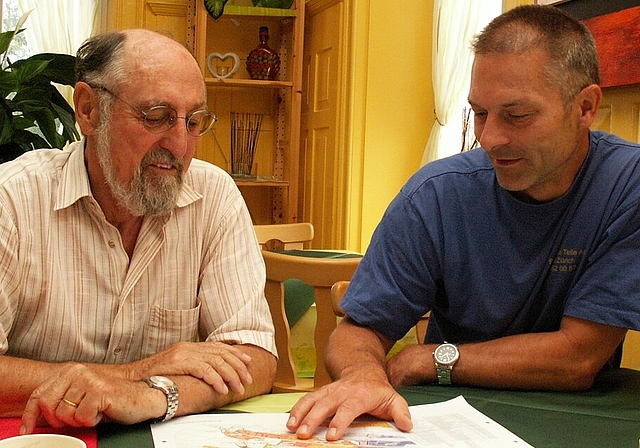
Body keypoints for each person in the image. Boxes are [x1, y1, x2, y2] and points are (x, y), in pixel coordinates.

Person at [287, 4, 640, 441]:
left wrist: (432, 358)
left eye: (517, 115)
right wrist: (363, 375)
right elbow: (360, 329)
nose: (489, 138)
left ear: (585, 107)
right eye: (480, 112)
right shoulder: (435, 194)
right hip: (447, 422)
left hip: (582, 420)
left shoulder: (628, 186)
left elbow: (578, 357)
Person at [0, 29, 277, 433]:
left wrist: (153, 394)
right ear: (89, 110)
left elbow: (256, 360)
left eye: (195, 121)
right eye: (156, 117)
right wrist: (137, 372)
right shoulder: (14, 200)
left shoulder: (213, 196)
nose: (181, 145)